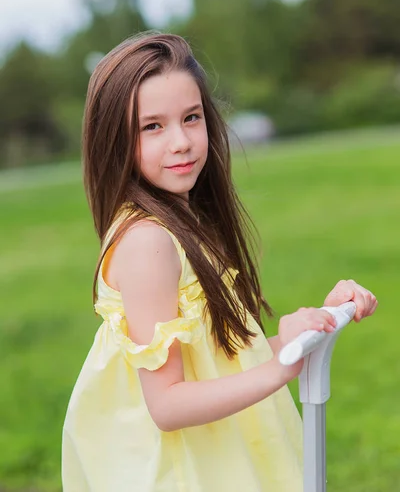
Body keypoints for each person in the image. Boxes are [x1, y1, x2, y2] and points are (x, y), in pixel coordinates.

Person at [62, 31, 377, 492]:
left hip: (218, 450)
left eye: (191, 118)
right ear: (114, 139)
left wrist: (313, 327)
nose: (181, 142)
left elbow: (222, 362)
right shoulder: (147, 242)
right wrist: (280, 368)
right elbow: (167, 405)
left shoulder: (183, 225)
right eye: (152, 126)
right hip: (184, 470)